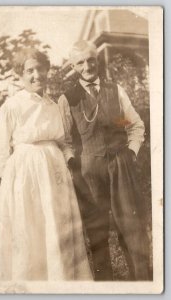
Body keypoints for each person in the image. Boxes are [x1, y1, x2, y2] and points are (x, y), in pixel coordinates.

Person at [0, 47, 92, 281]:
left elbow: (63, 142)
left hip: (55, 175)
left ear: (47, 70)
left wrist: (67, 162)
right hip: (25, 177)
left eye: (40, 69)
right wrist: (14, 180)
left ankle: (61, 282)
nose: (36, 75)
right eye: (29, 70)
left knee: (57, 228)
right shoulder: (12, 106)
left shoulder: (52, 105)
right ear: (21, 75)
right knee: (30, 229)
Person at [58, 40, 150, 281]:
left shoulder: (115, 90)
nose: (87, 66)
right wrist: (73, 164)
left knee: (132, 228)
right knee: (96, 232)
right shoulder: (67, 99)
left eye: (91, 59)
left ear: (96, 59)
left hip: (121, 165)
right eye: (80, 62)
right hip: (88, 171)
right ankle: (104, 287)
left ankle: (143, 283)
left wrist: (130, 152)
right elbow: (65, 141)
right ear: (73, 66)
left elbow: (135, 125)